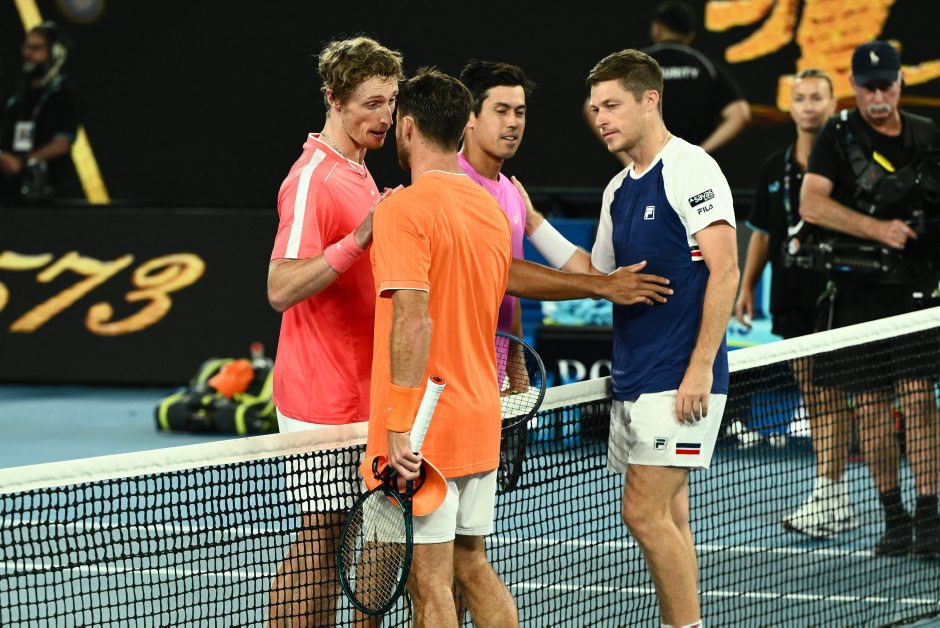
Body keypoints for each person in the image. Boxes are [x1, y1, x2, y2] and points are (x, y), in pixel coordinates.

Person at [585, 49, 739, 627]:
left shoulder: (692, 168)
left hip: (678, 381)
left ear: (650, 99)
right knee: (671, 518)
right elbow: (599, 276)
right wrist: (534, 225)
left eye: (612, 105)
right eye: (596, 108)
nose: (600, 118)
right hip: (632, 380)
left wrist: (699, 368)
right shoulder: (616, 189)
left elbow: (725, 270)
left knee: (642, 513)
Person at [366, 66, 517, 628]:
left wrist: (400, 425)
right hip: (480, 417)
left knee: (429, 586)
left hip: (424, 432)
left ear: (407, 127)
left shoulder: (402, 209)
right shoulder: (491, 211)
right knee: (473, 566)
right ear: (462, 130)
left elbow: (414, 320)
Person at [265, 35, 404, 626]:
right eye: (372, 104)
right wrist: (362, 236)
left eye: (390, 102)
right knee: (321, 538)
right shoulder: (312, 179)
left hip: (366, 392)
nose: (386, 116)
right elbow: (280, 287)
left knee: (367, 531)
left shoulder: (359, 171)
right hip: (321, 397)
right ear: (334, 99)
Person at [799, 40, 940, 557]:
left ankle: (930, 517)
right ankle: (894, 518)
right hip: (858, 292)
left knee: (919, 399)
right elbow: (811, 205)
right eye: (868, 88)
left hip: (915, 289)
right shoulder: (837, 136)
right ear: (855, 88)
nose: (878, 97)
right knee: (872, 405)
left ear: (900, 83)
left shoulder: (926, 133)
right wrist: (878, 229)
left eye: (886, 86)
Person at [733, 69, 855, 539]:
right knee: (814, 393)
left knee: (831, 394)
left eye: (816, 97)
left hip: (839, 296)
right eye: (800, 98)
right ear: (791, 106)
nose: (808, 106)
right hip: (791, 297)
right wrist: (747, 287)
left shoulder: (848, 162)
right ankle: (833, 494)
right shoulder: (775, 167)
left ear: (832, 104)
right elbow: (763, 234)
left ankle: (831, 492)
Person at [457, 59, 593, 343]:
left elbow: (512, 297)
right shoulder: (454, 185)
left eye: (519, 112)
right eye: (501, 111)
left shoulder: (511, 192)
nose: (513, 122)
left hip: (496, 364)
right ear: (469, 117)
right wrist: (600, 286)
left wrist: (517, 365)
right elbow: (506, 275)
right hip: (458, 364)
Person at [585, 1, 751, 168]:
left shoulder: (633, 65)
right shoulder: (706, 67)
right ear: (690, 35)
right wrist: (698, 153)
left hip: (641, 169)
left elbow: (590, 106)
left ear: (656, 29)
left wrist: (627, 158)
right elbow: (740, 113)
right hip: (688, 171)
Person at [0, 21, 79, 204]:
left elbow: (61, 144)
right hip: (10, 189)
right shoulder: (18, 94)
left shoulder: (63, 94)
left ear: (55, 53)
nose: (28, 54)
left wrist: (21, 162)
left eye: (36, 48)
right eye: (26, 47)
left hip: (49, 191)